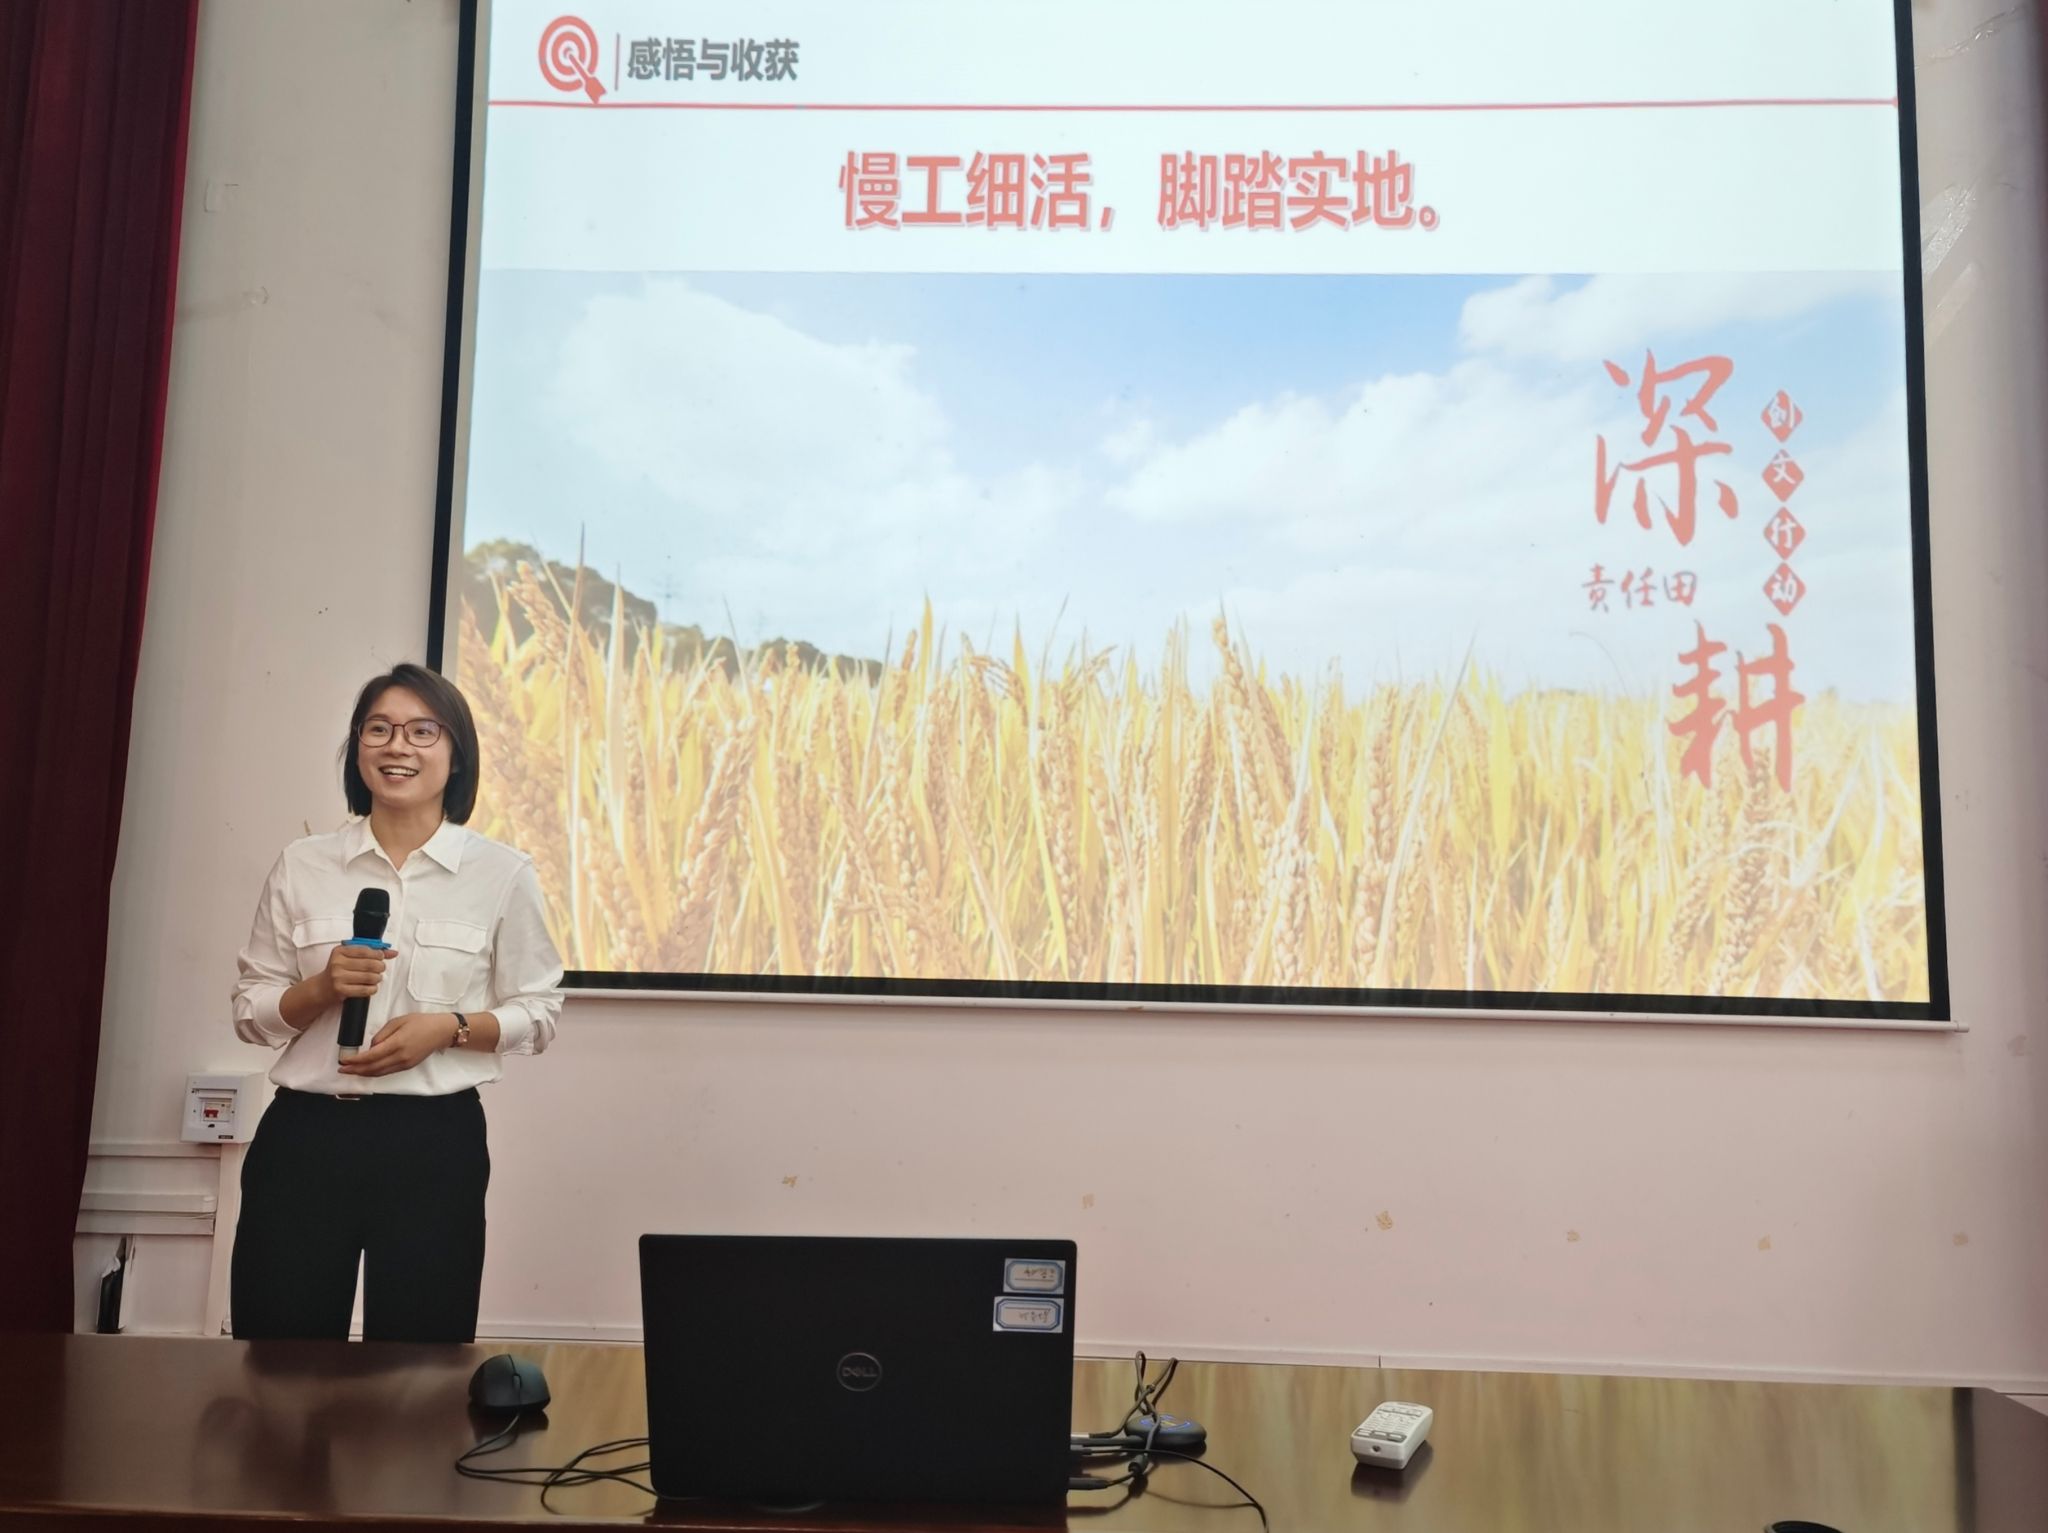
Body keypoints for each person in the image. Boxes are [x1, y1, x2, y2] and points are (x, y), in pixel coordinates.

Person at [228, 663, 563, 1343]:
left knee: (420, 1365)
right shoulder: (304, 864)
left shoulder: (501, 873)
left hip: (432, 1144)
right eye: (377, 729)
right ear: (357, 748)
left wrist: (450, 1028)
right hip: (305, 1139)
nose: (397, 746)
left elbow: (538, 1012)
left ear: (456, 753)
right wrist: (321, 988)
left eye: (421, 731)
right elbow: (250, 1010)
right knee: (278, 1359)